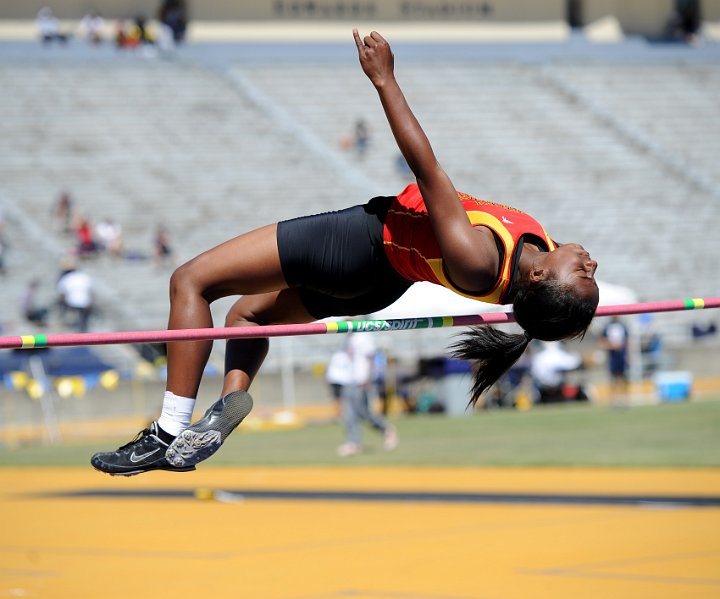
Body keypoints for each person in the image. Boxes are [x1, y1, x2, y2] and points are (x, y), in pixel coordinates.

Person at [91, 30, 599, 476]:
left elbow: (428, 169)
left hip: (357, 245)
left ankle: (164, 433)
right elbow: (555, 307)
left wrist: (385, 81)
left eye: (582, 273)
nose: (590, 263)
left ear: (538, 280)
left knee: (190, 280)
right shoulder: (542, 254)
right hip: (381, 282)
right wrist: (563, 309)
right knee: (245, 317)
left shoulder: (481, 260)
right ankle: (225, 404)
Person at [335, 334, 397, 457]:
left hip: (362, 380)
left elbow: (370, 359)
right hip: (349, 380)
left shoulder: (363, 337)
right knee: (349, 414)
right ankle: (353, 443)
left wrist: (367, 378)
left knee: (364, 412)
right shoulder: (347, 338)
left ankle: (386, 430)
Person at [57, 260, 93, 332]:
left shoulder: (66, 278)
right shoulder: (84, 277)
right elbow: (90, 291)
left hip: (71, 303)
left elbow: (62, 293)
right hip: (84, 303)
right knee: (83, 324)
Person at [599, 316, 629, 399]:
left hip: (622, 355)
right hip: (612, 356)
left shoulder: (622, 326)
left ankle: (624, 398)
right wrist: (612, 346)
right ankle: (614, 398)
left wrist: (628, 355)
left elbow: (627, 341)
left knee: (624, 377)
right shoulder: (607, 327)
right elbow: (602, 341)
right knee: (613, 378)